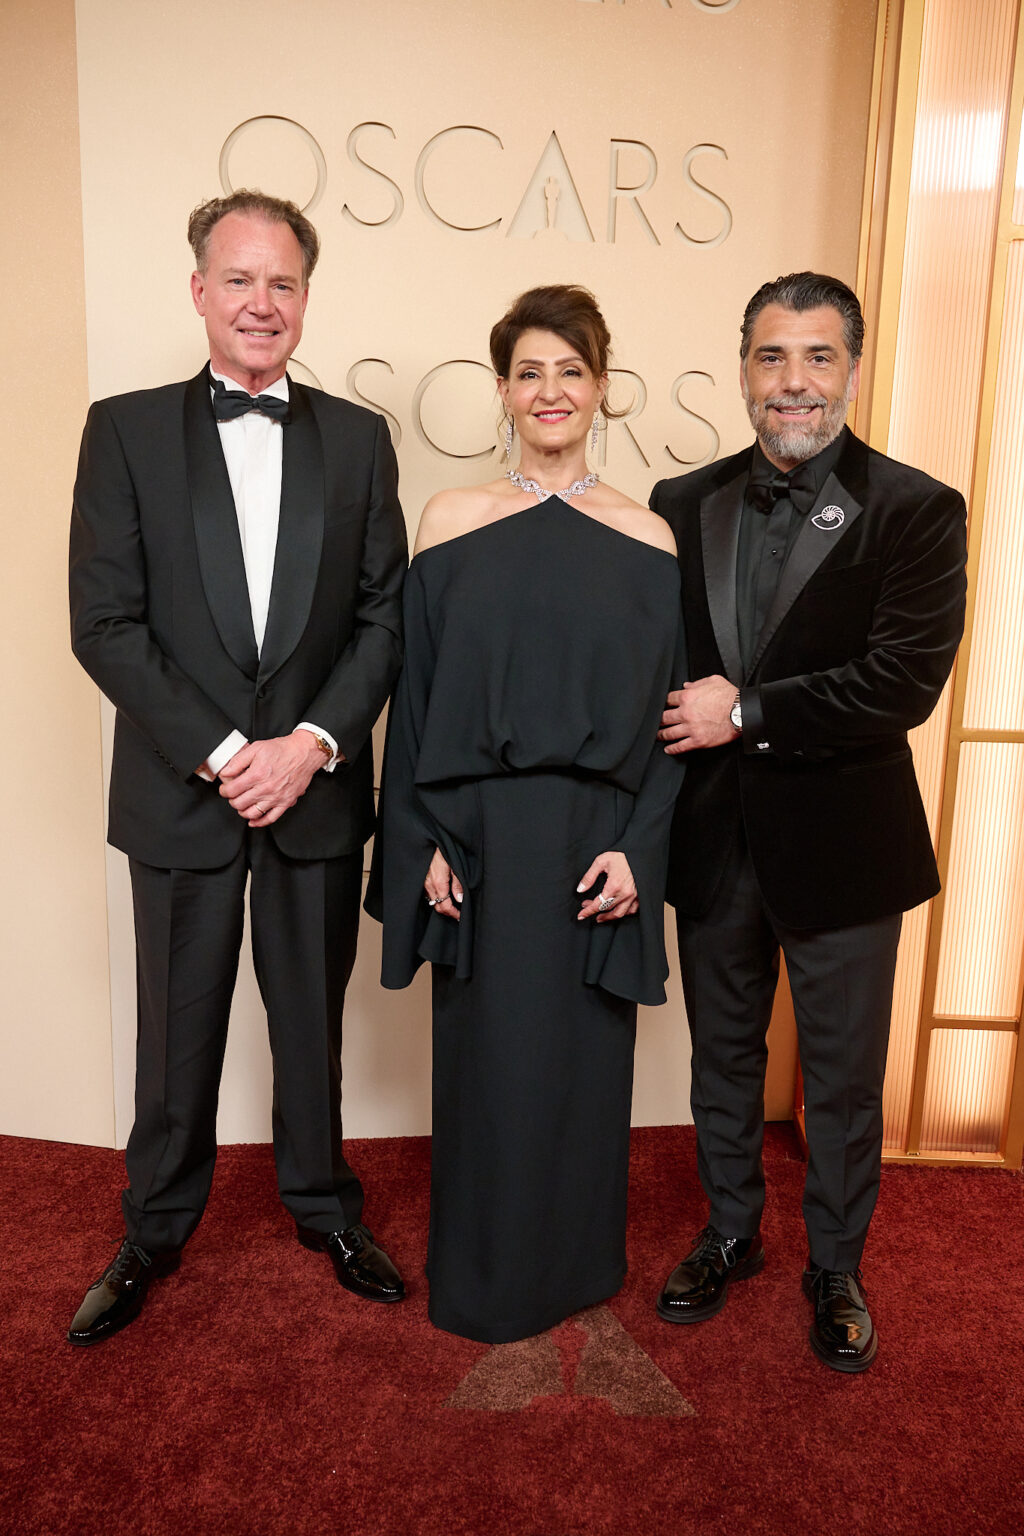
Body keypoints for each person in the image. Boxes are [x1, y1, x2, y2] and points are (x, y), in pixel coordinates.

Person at [67, 190, 408, 1345]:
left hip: (313, 791)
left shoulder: (361, 439)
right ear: (200, 289)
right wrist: (226, 756)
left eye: (285, 284)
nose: (263, 302)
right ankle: (153, 1231)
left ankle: (324, 1209)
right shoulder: (122, 429)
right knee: (176, 1037)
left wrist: (309, 747)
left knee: (312, 1025)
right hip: (181, 792)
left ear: (307, 298)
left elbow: (383, 620)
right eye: (242, 280)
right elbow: (104, 624)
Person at [650, 272, 967, 1372]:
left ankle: (835, 1261)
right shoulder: (678, 502)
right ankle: (730, 1229)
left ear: (851, 369)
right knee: (719, 1057)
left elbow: (901, 684)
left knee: (837, 1077)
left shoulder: (918, 508)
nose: (794, 383)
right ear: (743, 368)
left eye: (817, 357)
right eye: (772, 358)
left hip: (842, 847)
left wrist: (742, 710)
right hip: (711, 837)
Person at [368, 286, 684, 1343]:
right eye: (529, 372)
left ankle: (580, 1265)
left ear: (601, 388)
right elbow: (412, 709)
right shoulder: (447, 522)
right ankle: (489, 1273)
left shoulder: (647, 537)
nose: (550, 392)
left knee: (584, 1072)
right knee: (490, 1071)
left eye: (571, 371)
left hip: (595, 847)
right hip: (480, 849)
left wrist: (641, 852)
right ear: (503, 391)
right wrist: (417, 845)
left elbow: (669, 724)